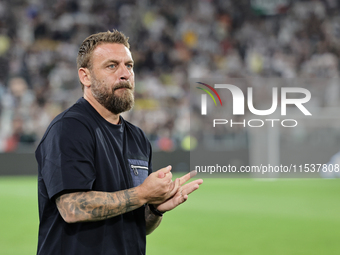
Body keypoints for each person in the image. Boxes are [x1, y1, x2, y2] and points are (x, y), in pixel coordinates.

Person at [35, 30, 203, 255]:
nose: (125, 74)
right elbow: (72, 207)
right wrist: (143, 194)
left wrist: (154, 209)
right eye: (112, 66)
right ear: (85, 76)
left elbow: (138, 225)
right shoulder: (70, 127)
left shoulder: (139, 138)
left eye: (129, 65)